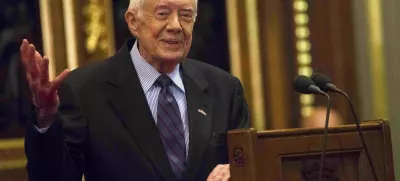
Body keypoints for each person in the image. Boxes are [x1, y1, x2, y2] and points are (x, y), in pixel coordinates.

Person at [21, 0, 250, 180]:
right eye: (162, 13)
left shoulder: (225, 89)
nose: (175, 26)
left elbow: (251, 166)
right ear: (133, 22)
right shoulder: (85, 90)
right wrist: (46, 117)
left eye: (186, 15)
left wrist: (238, 174)